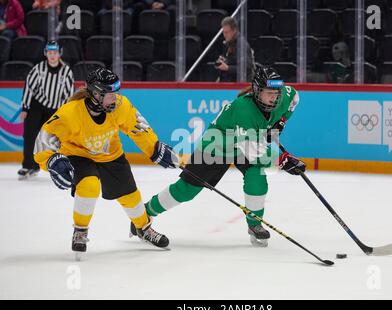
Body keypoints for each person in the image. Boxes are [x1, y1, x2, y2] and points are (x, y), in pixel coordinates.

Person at [130, 65, 305, 247]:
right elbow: (254, 150)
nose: (274, 97)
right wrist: (283, 160)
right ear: (256, 91)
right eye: (269, 93)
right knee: (186, 190)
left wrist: (280, 123)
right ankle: (144, 214)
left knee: (256, 176)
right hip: (218, 145)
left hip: (246, 143)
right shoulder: (243, 109)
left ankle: (254, 225)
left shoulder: (285, 95)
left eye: (276, 92)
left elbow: (294, 98)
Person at [33, 67, 177, 257]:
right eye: (110, 95)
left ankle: (143, 228)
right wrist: (52, 160)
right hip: (79, 155)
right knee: (89, 186)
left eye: (116, 93)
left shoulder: (120, 106)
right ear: (95, 94)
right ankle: (80, 231)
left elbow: (138, 127)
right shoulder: (71, 113)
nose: (115, 98)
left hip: (111, 155)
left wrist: (154, 147)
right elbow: (44, 139)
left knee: (130, 195)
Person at [18, 40, 74, 180]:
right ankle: (29, 166)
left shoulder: (66, 71)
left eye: (55, 52)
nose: (52, 55)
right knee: (30, 135)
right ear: (45, 53)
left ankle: (63, 166)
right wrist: (25, 108)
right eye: (49, 52)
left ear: (59, 53)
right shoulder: (38, 69)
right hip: (38, 106)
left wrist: (67, 113)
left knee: (56, 139)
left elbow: (69, 94)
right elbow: (29, 88)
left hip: (55, 110)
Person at [215, 16, 255, 82]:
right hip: (228, 83)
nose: (225, 35)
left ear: (234, 30)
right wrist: (223, 61)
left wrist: (227, 68)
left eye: (227, 32)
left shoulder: (242, 45)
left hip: (239, 86)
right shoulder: (228, 42)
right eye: (223, 32)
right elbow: (231, 61)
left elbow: (246, 69)